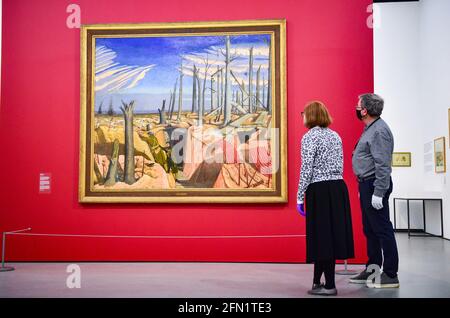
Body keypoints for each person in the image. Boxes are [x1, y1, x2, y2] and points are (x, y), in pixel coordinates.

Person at [297, 101, 355, 296]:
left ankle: (329, 285)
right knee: (329, 236)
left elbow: (306, 168)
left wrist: (299, 196)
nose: (302, 116)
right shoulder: (335, 135)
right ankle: (317, 282)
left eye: (304, 113)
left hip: (319, 190)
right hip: (338, 188)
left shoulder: (309, 137)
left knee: (321, 237)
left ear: (311, 115)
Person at [350, 93, 400, 288]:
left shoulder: (379, 131)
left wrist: (378, 191)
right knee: (370, 230)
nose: (356, 107)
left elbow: (383, 164)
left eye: (358, 104)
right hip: (367, 184)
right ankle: (373, 269)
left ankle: (390, 273)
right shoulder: (370, 128)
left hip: (375, 184)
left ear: (365, 110)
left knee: (382, 229)